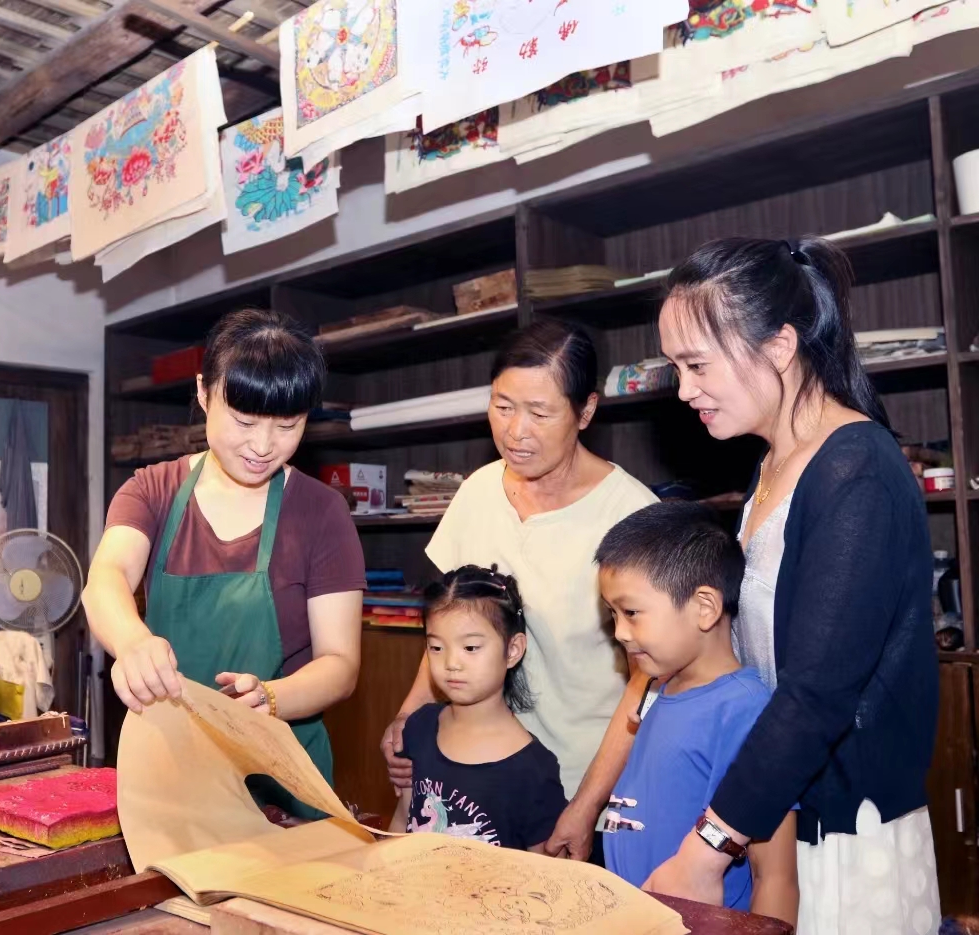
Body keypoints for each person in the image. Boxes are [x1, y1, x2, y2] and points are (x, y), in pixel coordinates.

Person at [646, 237, 939, 933]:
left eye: (697, 364)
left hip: (841, 829)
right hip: (776, 818)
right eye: (676, 368)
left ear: (779, 345)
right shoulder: (775, 462)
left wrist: (708, 846)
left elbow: (817, 693)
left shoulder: (855, 467)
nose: (684, 390)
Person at [382, 320, 658, 862]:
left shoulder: (632, 518)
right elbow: (452, 624)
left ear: (585, 411)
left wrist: (585, 806)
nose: (515, 431)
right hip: (475, 776)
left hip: (579, 784)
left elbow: (644, 686)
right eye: (502, 406)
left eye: (539, 412)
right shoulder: (478, 491)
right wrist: (408, 715)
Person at [83, 308, 365, 813]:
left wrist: (271, 698)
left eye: (287, 425)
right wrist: (132, 642)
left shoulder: (321, 512)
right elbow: (107, 577)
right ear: (203, 392)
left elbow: (340, 665)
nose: (263, 446)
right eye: (244, 421)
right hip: (171, 773)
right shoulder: (153, 490)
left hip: (283, 779)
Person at [596, 501, 798, 924]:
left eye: (631, 613)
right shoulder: (659, 688)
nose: (619, 632)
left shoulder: (745, 710)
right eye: (612, 614)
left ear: (704, 608)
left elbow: (775, 876)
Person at [390, 564, 567, 850]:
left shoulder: (533, 768)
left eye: (470, 648)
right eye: (436, 648)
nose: (451, 663)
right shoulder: (419, 727)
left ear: (513, 650)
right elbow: (401, 823)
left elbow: (546, 867)